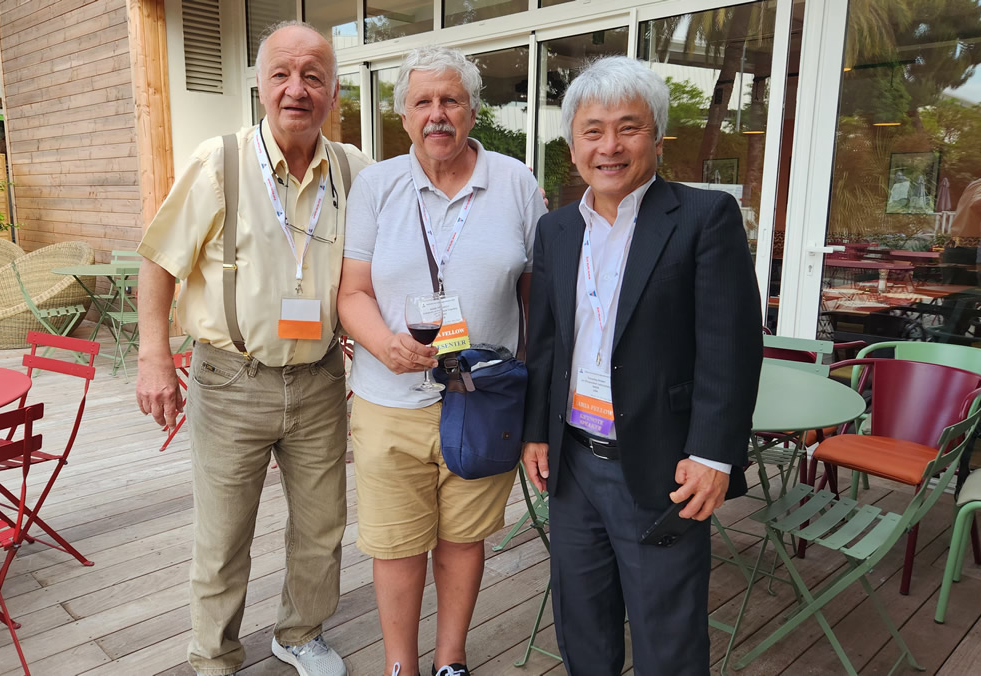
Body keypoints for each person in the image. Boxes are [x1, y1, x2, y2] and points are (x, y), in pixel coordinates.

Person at [134, 21, 369, 676]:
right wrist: (154, 356)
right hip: (230, 379)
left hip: (321, 378)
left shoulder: (354, 169)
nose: (297, 89)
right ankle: (214, 656)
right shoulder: (221, 162)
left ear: (333, 92)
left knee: (322, 526)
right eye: (281, 75)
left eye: (313, 76)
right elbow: (157, 262)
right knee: (222, 535)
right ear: (260, 86)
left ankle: (300, 633)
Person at [520, 56, 762, 675]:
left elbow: (730, 348)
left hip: (661, 466)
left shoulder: (704, 217)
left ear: (657, 138)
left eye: (628, 128)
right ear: (572, 143)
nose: (609, 146)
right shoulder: (555, 231)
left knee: (668, 639)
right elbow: (545, 343)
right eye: (593, 130)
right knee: (582, 623)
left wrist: (714, 456)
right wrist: (536, 431)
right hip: (573, 464)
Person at [337, 46, 546, 676]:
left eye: (451, 100)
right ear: (403, 115)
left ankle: (450, 661)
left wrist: (529, 392)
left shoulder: (515, 183)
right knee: (398, 547)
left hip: (483, 402)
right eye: (422, 101)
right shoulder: (377, 185)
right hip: (389, 402)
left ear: (473, 111)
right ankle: (400, 666)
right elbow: (351, 292)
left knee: (463, 539)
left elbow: (537, 301)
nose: (437, 114)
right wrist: (384, 344)